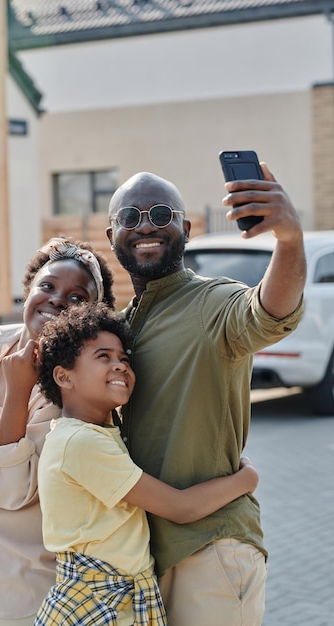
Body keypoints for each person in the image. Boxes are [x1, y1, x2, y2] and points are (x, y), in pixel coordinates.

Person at [105, 165, 306, 626]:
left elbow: (270, 313)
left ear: (186, 228)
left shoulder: (212, 302)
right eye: (132, 217)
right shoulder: (120, 327)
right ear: (112, 233)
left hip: (210, 549)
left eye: (161, 213)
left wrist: (289, 243)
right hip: (143, 558)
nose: (147, 225)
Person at [24, 302, 259, 626]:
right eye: (103, 357)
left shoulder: (100, 433)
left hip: (120, 598)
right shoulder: (80, 443)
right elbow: (180, 507)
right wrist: (246, 479)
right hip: (97, 603)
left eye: (124, 358)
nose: (120, 366)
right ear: (64, 376)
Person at [0, 237, 115, 626]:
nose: (56, 299)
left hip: (18, 594)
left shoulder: (68, 386)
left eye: (76, 297)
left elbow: (10, 490)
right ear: (28, 290)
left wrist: (19, 390)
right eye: (47, 286)